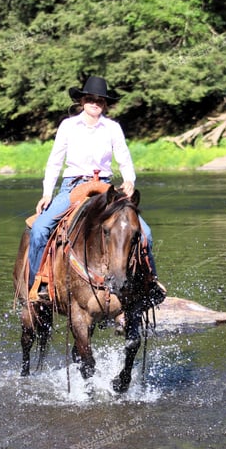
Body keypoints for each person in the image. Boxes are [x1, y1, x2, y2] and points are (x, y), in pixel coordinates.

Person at [27, 75, 165, 304]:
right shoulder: (68, 126)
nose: (95, 103)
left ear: (105, 104)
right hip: (74, 185)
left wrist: (129, 180)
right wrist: (47, 193)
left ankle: (148, 283)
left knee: (146, 233)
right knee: (40, 229)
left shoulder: (112, 128)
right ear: (82, 101)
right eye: (91, 99)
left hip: (105, 188)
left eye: (100, 100)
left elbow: (124, 158)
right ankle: (39, 283)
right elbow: (54, 161)